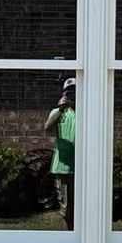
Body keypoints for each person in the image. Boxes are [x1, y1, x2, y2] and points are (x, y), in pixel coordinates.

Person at [44, 77, 77, 229]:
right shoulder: (58, 112)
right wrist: (60, 109)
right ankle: (67, 240)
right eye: (69, 92)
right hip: (63, 167)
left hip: (84, 166)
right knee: (66, 208)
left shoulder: (88, 112)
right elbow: (47, 129)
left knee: (85, 208)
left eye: (76, 91)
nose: (72, 95)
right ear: (64, 94)